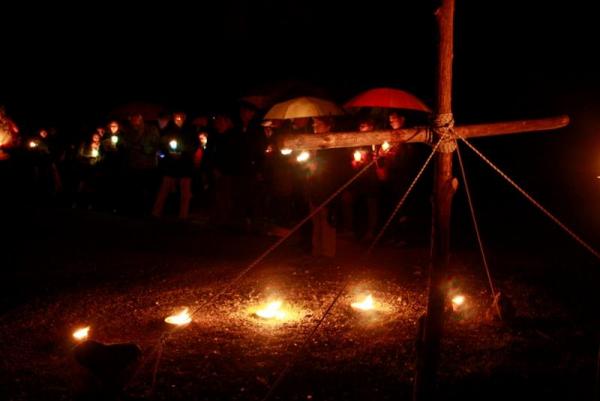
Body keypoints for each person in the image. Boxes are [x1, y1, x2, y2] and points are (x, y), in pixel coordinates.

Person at [152, 111, 195, 220]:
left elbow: (193, 146)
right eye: (177, 116)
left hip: (185, 165)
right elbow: (162, 144)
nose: (179, 118)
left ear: (185, 117)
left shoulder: (190, 130)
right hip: (171, 165)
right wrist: (169, 153)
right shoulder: (168, 129)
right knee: (164, 189)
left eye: (181, 116)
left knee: (185, 192)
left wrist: (182, 153)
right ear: (173, 117)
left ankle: (183, 215)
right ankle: (156, 212)